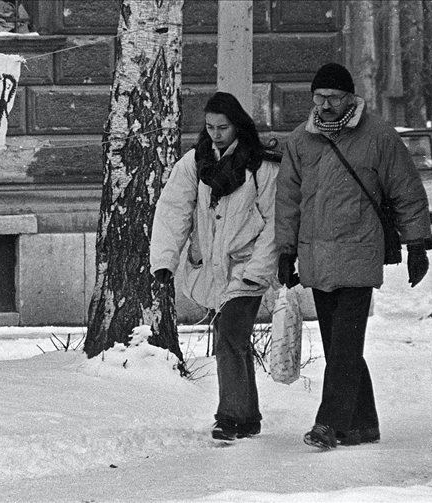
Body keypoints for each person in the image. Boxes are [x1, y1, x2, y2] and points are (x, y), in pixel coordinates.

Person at [275, 62, 431, 450]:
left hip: (360, 253)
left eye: (334, 97)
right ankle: (363, 424)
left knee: (344, 345)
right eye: (319, 97)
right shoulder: (300, 141)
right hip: (317, 256)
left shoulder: (377, 135)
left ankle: (329, 423)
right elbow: (288, 201)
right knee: (338, 346)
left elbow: (406, 189)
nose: (325, 105)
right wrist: (286, 250)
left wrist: (416, 245)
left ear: (349, 98)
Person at [151, 92, 281, 441]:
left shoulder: (262, 167)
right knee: (232, 339)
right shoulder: (195, 163)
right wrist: (165, 259)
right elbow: (173, 211)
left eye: (223, 127)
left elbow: (275, 223)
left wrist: (260, 267)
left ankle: (229, 416)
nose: (216, 134)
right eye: (209, 127)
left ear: (238, 125)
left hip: (246, 267)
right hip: (210, 268)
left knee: (229, 337)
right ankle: (249, 416)